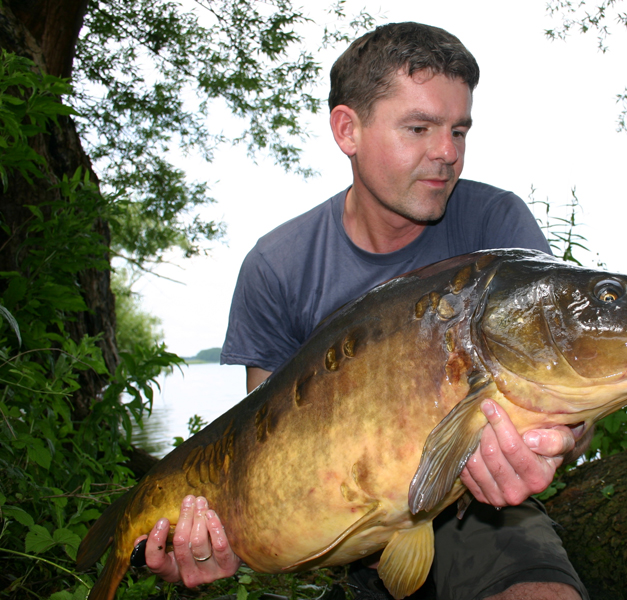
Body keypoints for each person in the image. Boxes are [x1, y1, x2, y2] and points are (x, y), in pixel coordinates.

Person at [134, 22, 592, 600]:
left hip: (471, 503)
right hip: (337, 528)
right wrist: (220, 541)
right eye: (419, 128)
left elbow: (572, 396)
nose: (447, 153)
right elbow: (261, 449)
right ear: (347, 129)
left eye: (459, 130)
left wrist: (563, 441)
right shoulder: (278, 266)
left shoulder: (495, 226)